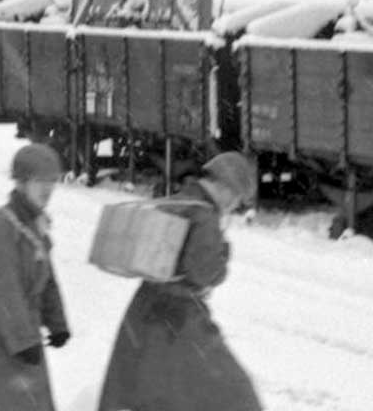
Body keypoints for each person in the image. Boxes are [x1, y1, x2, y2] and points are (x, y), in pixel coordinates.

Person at [97, 152, 263, 411]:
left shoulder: (179, 199)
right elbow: (204, 272)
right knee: (232, 392)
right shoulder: (205, 217)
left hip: (145, 310)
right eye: (236, 198)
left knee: (146, 386)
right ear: (225, 187)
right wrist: (223, 256)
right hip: (180, 318)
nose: (233, 206)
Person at [0, 144, 72, 411]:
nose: (48, 189)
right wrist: (22, 341)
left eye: (53, 181)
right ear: (21, 182)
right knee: (17, 405)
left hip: (23, 334)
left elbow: (47, 279)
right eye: (40, 181)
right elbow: (4, 289)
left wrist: (57, 323)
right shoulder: (2, 228)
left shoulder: (34, 226)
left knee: (30, 404)